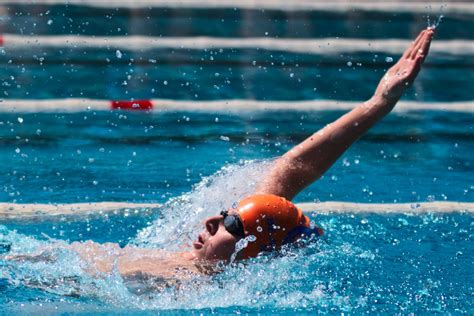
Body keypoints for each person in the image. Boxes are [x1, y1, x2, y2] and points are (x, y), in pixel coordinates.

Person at [3, 28, 435, 291]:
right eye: (226, 214)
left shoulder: (186, 292)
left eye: (229, 224)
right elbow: (295, 167)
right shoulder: (214, 257)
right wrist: (377, 105)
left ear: (253, 249)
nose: (211, 221)